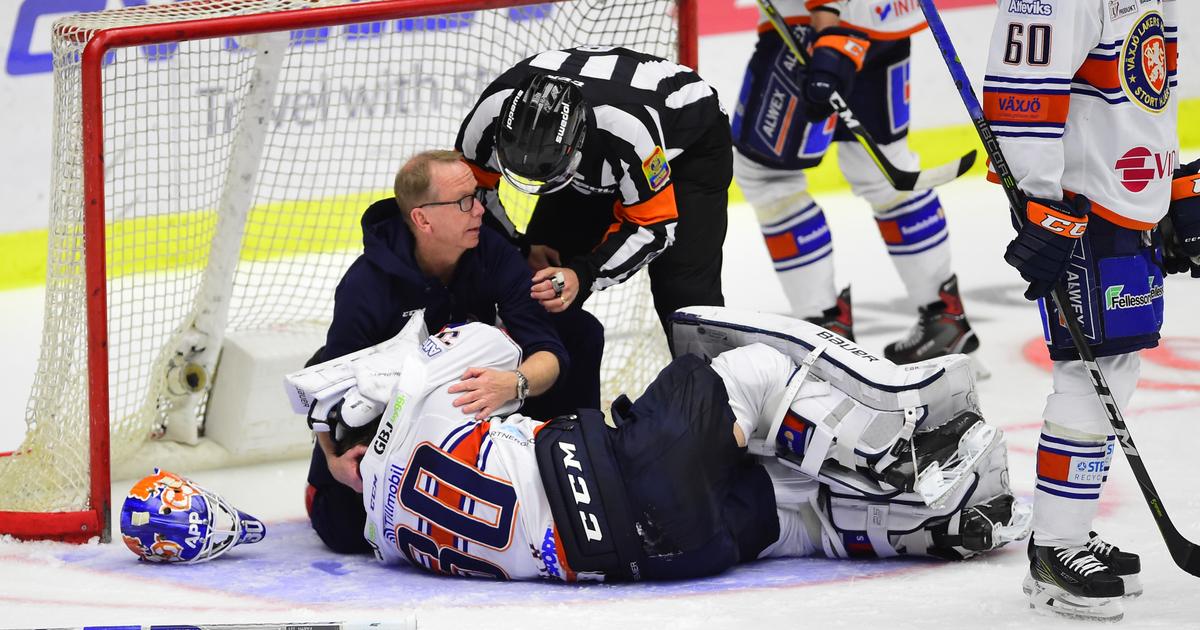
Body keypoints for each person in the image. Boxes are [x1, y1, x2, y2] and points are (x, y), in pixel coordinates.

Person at [285, 307, 1032, 582]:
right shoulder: (419, 403)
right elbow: (492, 344)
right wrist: (393, 376)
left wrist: (340, 445)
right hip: (630, 469)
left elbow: (363, 465)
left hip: (655, 558)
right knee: (750, 369)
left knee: (801, 518)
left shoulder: (387, 537)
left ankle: (922, 528)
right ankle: (897, 449)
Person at [982, 0, 1186, 620]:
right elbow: (1020, 96)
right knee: (1091, 369)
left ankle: (1068, 526)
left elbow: (1153, 86)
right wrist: (1041, 208)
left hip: (1129, 196)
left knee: (1115, 367)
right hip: (1082, 203)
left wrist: (1176, 184)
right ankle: (1056, 547)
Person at [304, 149, 604, 555]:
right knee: (344, 529)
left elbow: (549, 351)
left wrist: (514, 384)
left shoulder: (492, 253)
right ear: (423, 219)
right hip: (390, 418)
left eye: (477, 196)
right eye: (464, 202)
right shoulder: (365, 286)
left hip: (472, 401)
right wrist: (333, 460)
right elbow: (326, 384)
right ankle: (320, 489)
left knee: (581, 332)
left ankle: (580, 466)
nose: (479, 210)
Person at [731, 0, 981, 364]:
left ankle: (824, 337)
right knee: (884, 175)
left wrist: (830, 34)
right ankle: (944, 321)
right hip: (883, 19)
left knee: (769, 178)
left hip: (815, 25)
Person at [455, 46, 731, 331]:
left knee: (682, 289)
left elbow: (654, 227)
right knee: (542, 280)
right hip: (595, 142)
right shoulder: (490, 112)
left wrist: (583, 274)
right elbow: (469, 193)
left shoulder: (627, 130)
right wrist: (521, 246)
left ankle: (713, 359)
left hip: (689, 147)